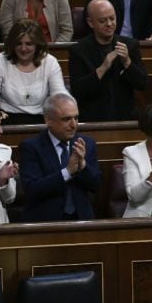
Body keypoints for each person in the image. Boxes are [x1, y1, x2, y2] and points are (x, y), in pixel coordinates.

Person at [18, 92, 101, 222]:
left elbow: (96, 185)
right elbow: (32, 189)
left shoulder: (86, 144)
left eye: (76, 118)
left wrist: (83, 166)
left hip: (82, 221)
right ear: (48, 120)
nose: (73, 125)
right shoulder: (31, 147)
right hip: (45, 223)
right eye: (66, 119)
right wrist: (67, 172)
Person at [68, 0, 148, 123]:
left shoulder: (130, 45)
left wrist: (127, 62)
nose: (109, 24)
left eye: (112, 18)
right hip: (93, 119)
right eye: (102, 21)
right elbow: (78, 90)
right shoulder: (79, 50)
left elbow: (142, 83)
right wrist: (102, 68)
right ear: (90, 23)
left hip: (125, 117)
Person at [0, 19, 66, 125]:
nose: (23, 48)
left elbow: (59, 94)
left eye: (29, 44)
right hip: (6, 118)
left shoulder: (49, 61)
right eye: (18, 44)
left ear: (37, 44)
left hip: (41, 120)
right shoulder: (0, 60)